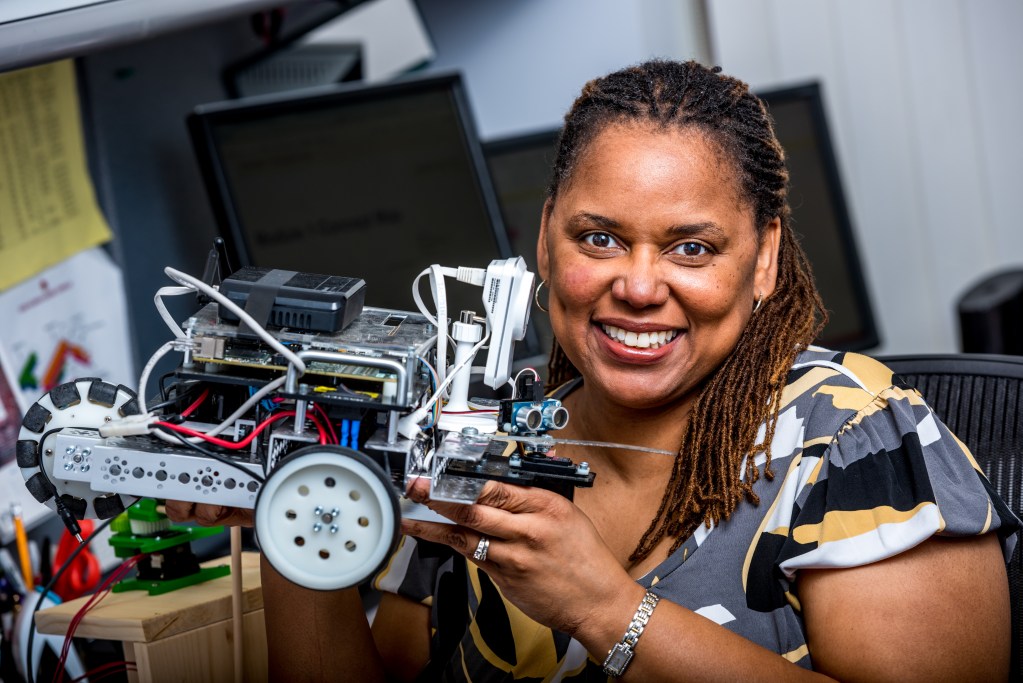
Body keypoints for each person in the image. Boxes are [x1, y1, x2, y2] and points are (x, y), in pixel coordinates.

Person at [168, 60, 1018, 681]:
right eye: (598, 237)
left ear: (762, 262)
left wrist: (602, 606)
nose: (637, 286)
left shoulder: (857, 442)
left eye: (691, 247)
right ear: (545, 238)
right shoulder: (467, 442)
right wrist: (285, 503)